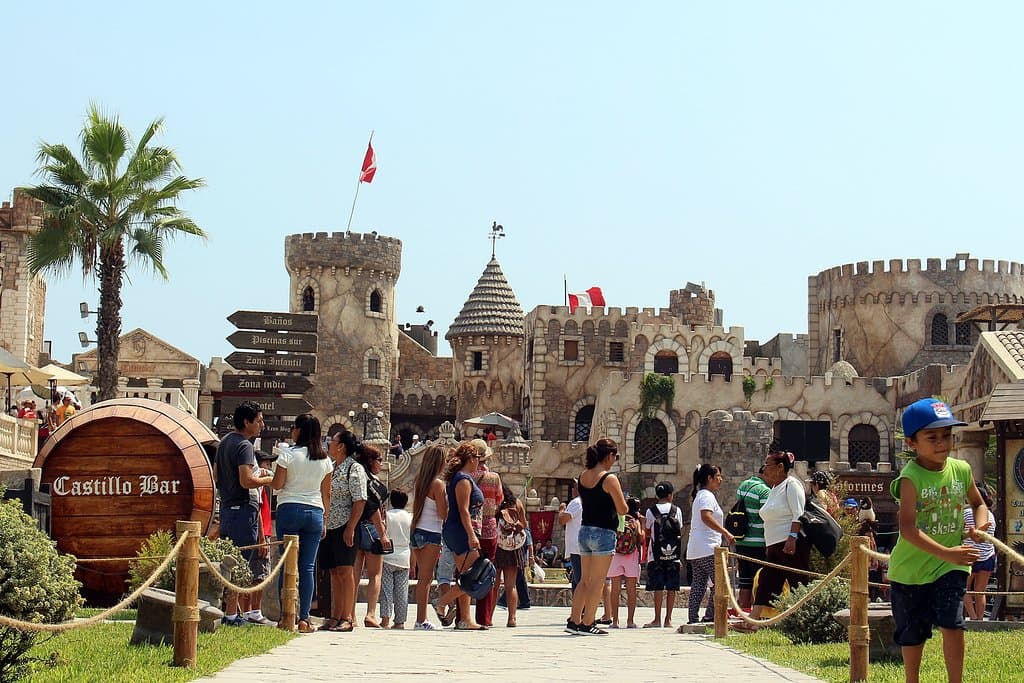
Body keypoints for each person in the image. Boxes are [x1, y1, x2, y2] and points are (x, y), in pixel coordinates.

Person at [889, 398, 989, 683]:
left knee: (953, 623)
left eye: (946, 435)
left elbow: (979, 504)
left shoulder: (961, 470)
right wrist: (947, 552)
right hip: (910, 571)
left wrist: (979, 526)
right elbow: (907, 529)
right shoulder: (910, 478)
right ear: (912, 443)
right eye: (932, 437)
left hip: (951, 567)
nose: (942, 443)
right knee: (912, 633)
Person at [270, 413, 333, 633]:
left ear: (299, 431)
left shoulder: (287, 455)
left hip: (289, 508)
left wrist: (270, 476)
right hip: (315, 511)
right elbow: (327, 494)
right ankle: (305, 618)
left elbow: (277, 485)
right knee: (307, 567)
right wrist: (324, 519)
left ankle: (285, 615)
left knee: (286, 564)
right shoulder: (325, 460)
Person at [214, 401, 273, 627]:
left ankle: (230, 613)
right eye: (258, 420)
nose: (262, 424)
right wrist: (269, 479)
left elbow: (216, 475)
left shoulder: (225, 442)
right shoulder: (245, 446)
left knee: (230, 562)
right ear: (247, 422)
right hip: (244, 511)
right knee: (241, 564)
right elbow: (247, 481)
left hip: (228, 510)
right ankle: (231, 615)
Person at [566, 438, 628, 636]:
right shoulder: (609, 479)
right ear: (609, 456)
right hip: (603, 532)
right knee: (598, 581)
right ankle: (588, 623)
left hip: (585, 530)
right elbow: (622, 509)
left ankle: (574, 620)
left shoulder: (583, 476)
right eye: (615, 456)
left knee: (584, 579)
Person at [747, 449, 810, 629]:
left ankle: (806, 622)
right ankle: (753, 621)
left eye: (768, 465)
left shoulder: (792, 485)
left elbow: (798, 514)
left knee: (798, 584)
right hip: (775, 546)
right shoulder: (775, 488)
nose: (764, 469)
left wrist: (792, 538)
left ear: (780, 467)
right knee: (766, 583)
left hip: (789, 545)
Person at [433, 442, 487, 630]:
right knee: (472, 577)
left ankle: (465, 619)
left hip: (457, 531)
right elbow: (464, 511)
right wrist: (472, 535)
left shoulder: (459, 478)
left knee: (465, 576)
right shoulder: (463, 480)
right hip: (462, 532)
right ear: (471, 459)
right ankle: (441, 603)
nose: (479, 461)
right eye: (478, 458)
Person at [320, 430, 367, 633]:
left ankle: (347, 616)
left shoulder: (354, 468)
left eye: (332, 441)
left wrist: (351, 527)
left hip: (344, 526)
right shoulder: (332, 467)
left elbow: (360, 499)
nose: (329, 444)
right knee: (334, 571)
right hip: (329, 526)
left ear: (341, 446)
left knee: (346, 571)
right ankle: (336, 614)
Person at [686, 463, 734, 625]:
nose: (721, 479)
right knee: (721, 583)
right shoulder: (706, 496)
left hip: (696, 549)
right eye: (718, 476)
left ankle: (693, 617)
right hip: (708, 547)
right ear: (709, 478)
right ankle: (711, 615)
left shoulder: (701, 495)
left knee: (699, 584)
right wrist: (725, 532)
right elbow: (706, 516)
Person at [410, 444, 450, 630]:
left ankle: (421, 618)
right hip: (432, 532)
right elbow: (443, 513)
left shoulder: (420, 480)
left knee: (421, 578)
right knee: (426, 579)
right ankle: (421, 620)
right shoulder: (437, 484)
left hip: (417, 530)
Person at [353, 445, 391, 629]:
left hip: (355, 527)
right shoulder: (372, 483)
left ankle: (350, 613)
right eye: (379, 460)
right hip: (371, 527)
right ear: (370, 460)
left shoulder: (358, 478)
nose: (381, 464)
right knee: (375, 574)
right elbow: (374, 508)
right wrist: (383, 533)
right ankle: (370, 614)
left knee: (354, 574)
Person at [470, 438, 503, 627]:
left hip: (470, 529)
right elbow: (499, 500)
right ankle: (484, 618)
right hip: (489, 529)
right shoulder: (494, 478)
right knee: (487, 573)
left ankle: (462, 615)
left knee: (464, 570)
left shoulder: (465, 476)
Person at [643, 481, 683, 629]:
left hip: (655, 555)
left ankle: (657, 619)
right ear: (670, 495)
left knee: (658, 587)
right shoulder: (676, 510)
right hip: (673, 555)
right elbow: (679, 529)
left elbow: (648, 530)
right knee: (672, 587)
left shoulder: (650, 511)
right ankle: (668, 620)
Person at [243, 450, 276, 626]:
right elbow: (257, 512)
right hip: (261, 533)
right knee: (258, 575)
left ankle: (250, 611)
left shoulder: (260, 487)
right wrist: (262, 538)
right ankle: (254, 611)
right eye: (266, 464)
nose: (269, 468)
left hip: (262, 532)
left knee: (255, 574)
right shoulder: (256, 485)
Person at [734, 467, 771, 611]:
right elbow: (766, 518)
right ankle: (755, 615)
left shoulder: (743, 486)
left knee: (744, 581)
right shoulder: (764, 491)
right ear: (765, 474)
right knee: (758, 581)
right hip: (758, 543)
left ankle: (743, 612)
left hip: (741, 541)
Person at [492, 484, 528, 627]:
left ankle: (488, 617)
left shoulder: (495, 504)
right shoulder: (517, 503)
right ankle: (512, 618)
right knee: (510, 585)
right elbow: (524, 524)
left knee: (493, 585)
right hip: (513, 546)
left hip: (497, 545)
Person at [607, 497, 643, 629]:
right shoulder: (635, 521)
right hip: (631, 555)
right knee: (631, 590)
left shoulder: (618, 518)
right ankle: (630, 621)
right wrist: (641, 525)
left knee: (615, 589)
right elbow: (641, 537)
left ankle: (615, 621)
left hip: (616, 554)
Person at [964, 482, 996, 621]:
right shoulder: (991, 516)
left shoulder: (966, 513)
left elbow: (960, 532)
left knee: (965, 590)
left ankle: (972, 617)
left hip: (970, 555)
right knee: (980, 591)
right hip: (987, 556)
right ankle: (980, 619)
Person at [381, 489, 412, 629]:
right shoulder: (410, 517)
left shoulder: (387, 516)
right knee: (402, 591)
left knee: (386, 589)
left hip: (388, 554)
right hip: (404, 555)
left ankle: (385, 619)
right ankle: (400, 621)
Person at [558, 479, 583, 594]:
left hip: (576, 547)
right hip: (582, 546)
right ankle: (578, 609)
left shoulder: (576, 502)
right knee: (576, 578)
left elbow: (562, 520)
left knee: (579, 579)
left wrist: (561, 509)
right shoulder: (587, 502)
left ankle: (582, 609)